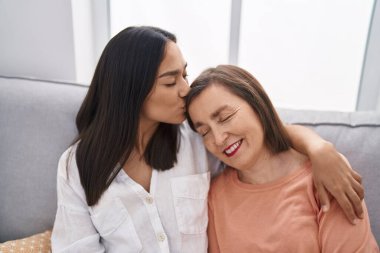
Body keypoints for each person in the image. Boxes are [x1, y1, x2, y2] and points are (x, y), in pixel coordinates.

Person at [51, 26, 364, 252]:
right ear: (131, 90)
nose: (185, 90)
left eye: (184, 75)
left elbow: (261, 130)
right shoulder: (77, 166)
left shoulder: (198, 139)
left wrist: (320, 149)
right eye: (171, 81)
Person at [185, 64, 379, 252]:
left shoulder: (325, 174)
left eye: (225, 117)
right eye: (204, 132)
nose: (218, 139)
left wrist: (319, 148)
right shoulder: (214, 196)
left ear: (256, 104)